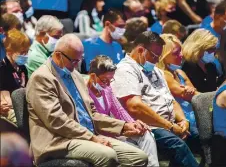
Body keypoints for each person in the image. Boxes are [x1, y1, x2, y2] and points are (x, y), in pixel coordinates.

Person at [26, 33, 148, 167]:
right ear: (58, 55)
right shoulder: (42, 78)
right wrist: (92, 138)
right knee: (108, 155)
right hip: (59, 141)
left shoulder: (75, 75)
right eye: (74, 61)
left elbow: (92, 114)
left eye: (80, 60)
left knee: (139, 157)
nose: (77, 65)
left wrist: (123, 125)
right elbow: (56, 121)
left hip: (86, 135)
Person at [111, 31, 199, 167]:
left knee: (201, 136)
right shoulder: (125, 70)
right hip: (148, 126)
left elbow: (172, 101)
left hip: (169, 123)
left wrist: (183, 120)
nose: (158, 60)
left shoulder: (156, 70)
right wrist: (169, 126)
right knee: (177, 145)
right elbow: (135, 106)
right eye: (155, 56)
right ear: (140, 50)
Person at [87, 55, 159, 167]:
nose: (108, 84)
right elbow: (95, 120)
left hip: (114, 130)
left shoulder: (107, 89)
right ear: (92, 76)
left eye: (111, 80)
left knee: (145, 133)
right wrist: (125, 126)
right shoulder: (84, 91)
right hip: (100, 133)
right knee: (136, 150)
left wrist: (133, 123)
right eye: (105, 80)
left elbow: (119, 110)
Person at [157, 34, 199, 132]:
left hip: (195, 114)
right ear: (163, 56)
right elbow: (187, 95)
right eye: (176, 53)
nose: (181, 55)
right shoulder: (163, 75)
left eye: (180, 51)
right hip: (181, 120)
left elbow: (195, 95)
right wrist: (218, 95)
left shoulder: (180, 72)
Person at [0, 29, 30, 124]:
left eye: (27, 51)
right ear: (9, 51)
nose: (25, 55)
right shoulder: (2, 68)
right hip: (8, 111)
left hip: (24, 106)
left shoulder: (23, 68)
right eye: (22, 52)